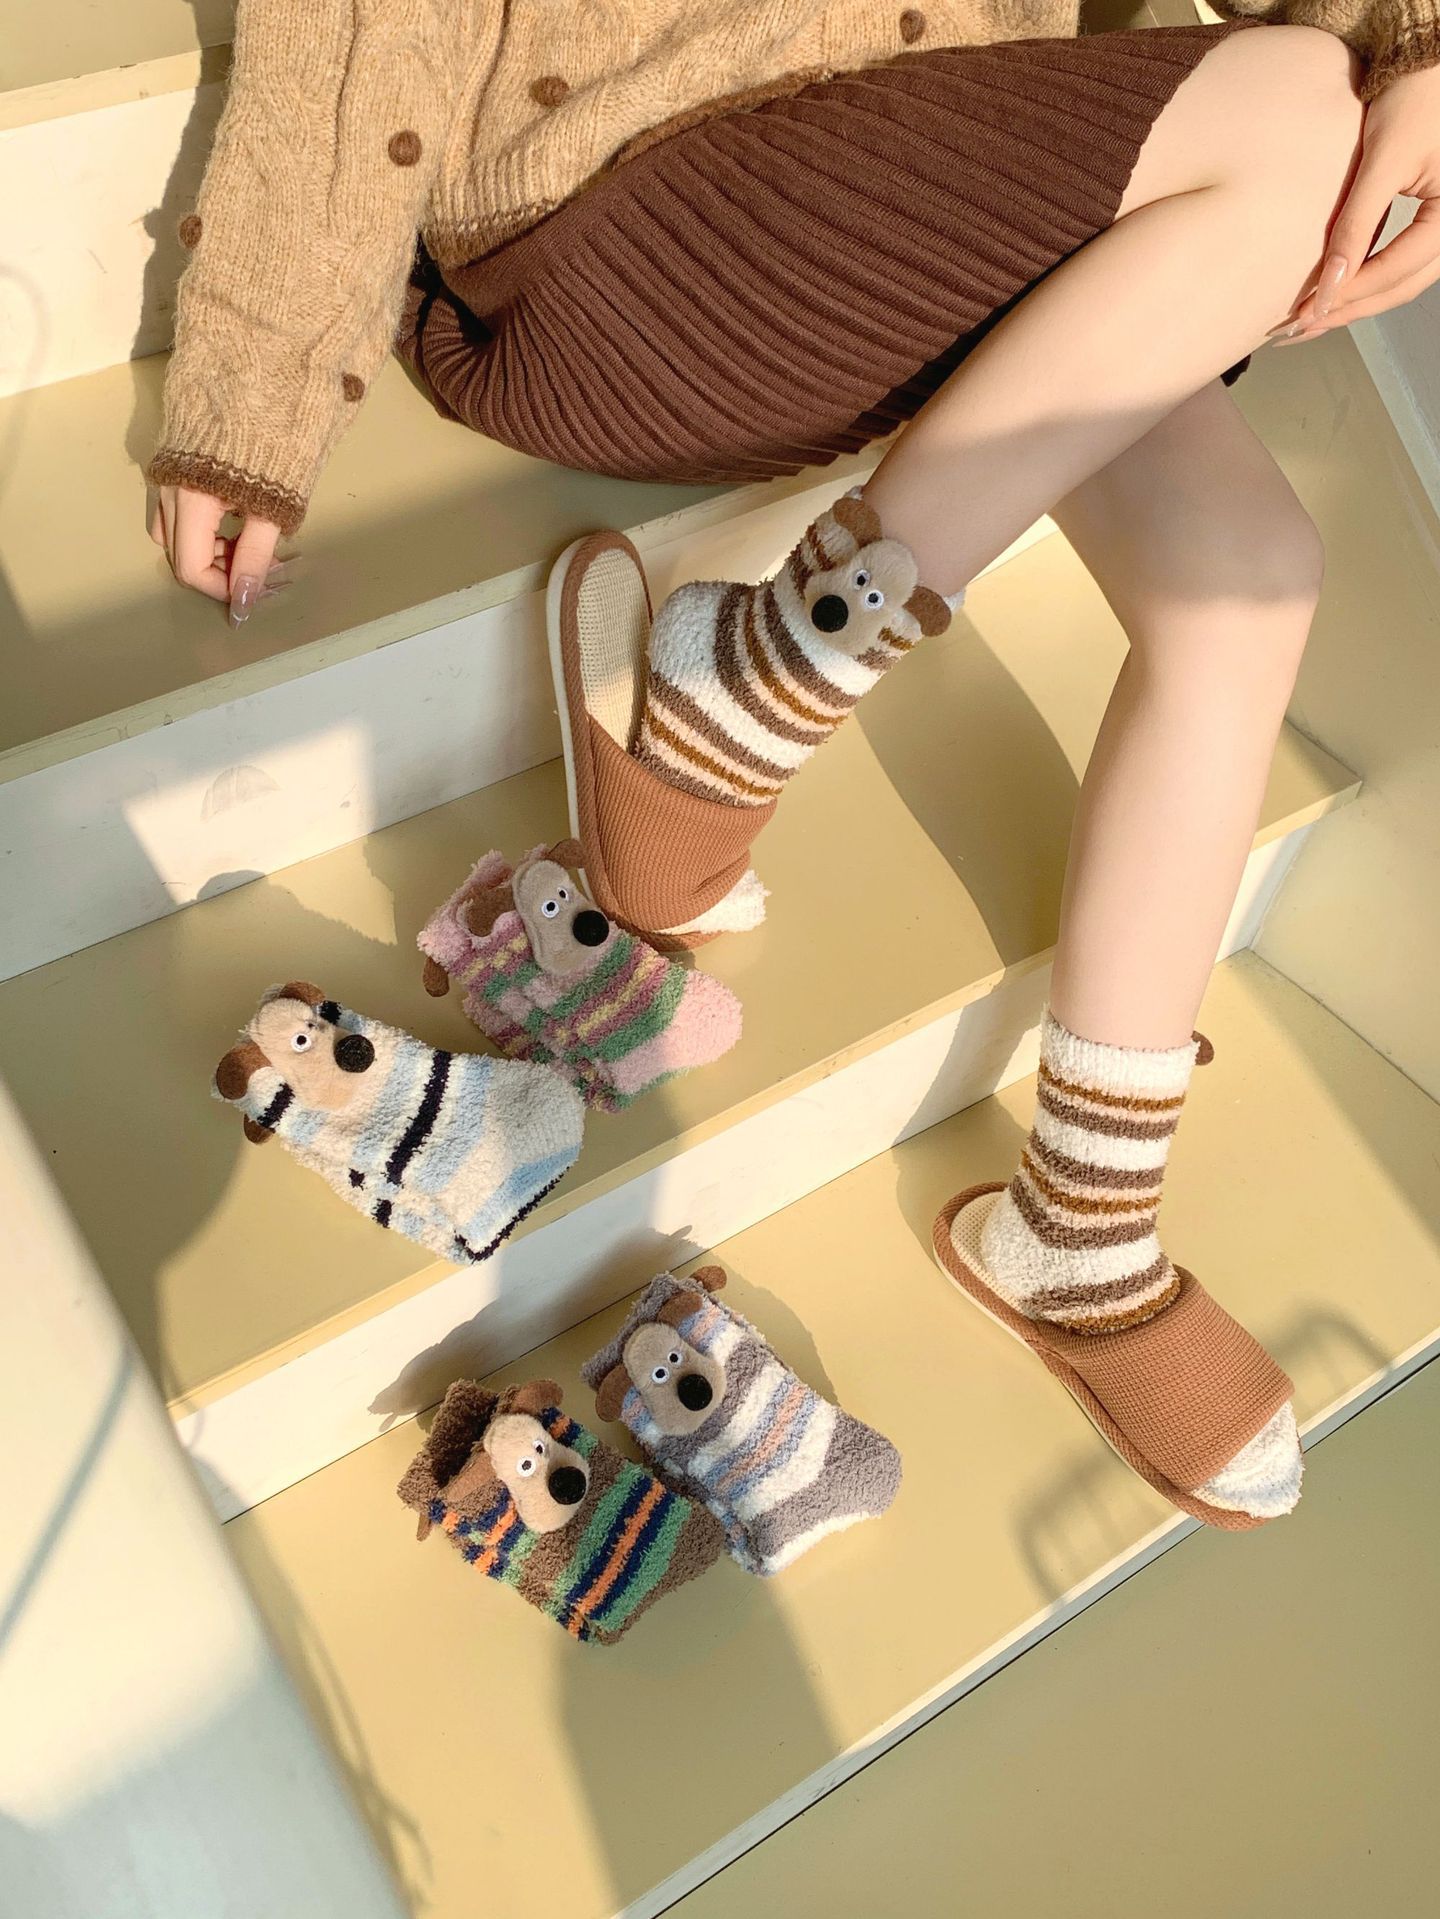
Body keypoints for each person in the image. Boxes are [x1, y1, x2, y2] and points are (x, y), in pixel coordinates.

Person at [147, 0, 1440, 1524]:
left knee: (1253, 577)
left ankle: (1083, 1228)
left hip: (934, 204)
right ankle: (771, 665)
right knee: (1296, 110)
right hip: (629, 237)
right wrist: (259, 387)